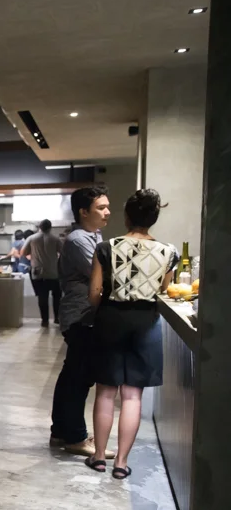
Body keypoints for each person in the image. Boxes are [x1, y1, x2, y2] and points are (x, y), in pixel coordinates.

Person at [85, 190, 176, 479]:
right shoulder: (168, 253)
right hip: (146, 322)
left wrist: (105, 308)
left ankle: (100, 456)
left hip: (110, 319)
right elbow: (165, 292)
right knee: (133, 395)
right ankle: (121, 463)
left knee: (105, 392)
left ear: (127, 216)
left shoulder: (105, 248)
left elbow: (94, 294)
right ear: (154, 218)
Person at [51, 184, 113, 457]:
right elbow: (103, 276)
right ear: (83, 212)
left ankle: (61, 431)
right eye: (101, 208)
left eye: (107, 207)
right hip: (81, 316)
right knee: (79, 378)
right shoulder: (78, 240)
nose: (107, 212)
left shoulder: (91, 236)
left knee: (72, 375)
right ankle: (75, 437)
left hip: (81, 315)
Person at [22, 219, 64, 327]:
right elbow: (63, 253)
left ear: (39, 227)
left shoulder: (32, 238)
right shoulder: (55, 239)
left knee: (42, 297)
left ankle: (44, 321)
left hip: (38, 273)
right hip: (54, 272)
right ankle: (57, 318)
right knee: (57, 297)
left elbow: (23, 252)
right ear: (50, 227)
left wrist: (33, 253)